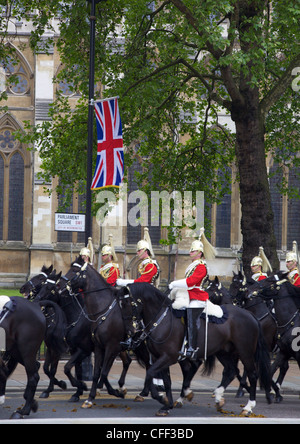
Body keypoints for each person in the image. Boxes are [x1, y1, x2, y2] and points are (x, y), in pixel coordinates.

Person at [169, 227, 216, 361]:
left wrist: (175, 283)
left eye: (193, 250)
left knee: (191, 317)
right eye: (191, 250)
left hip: (197, 296)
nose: (190, 252)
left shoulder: (201, 266)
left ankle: (192, 347)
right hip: (188, 295)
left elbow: (191, 283)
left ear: (200, 253)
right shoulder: (193, 265)